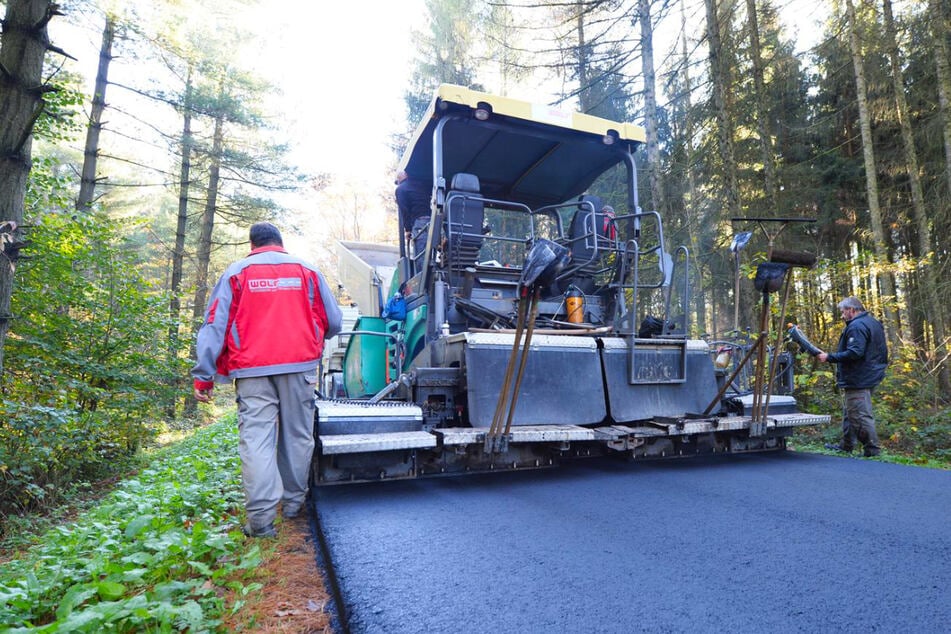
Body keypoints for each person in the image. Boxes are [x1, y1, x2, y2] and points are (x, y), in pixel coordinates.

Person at [192, 222, 342, 537]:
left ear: (252, 245)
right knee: (298, 436)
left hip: (250, 369)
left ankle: (260, 522)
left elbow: (213, 326)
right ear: (280, 243)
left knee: (257, 439)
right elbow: (334, 321)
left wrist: (204, 376)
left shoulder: (236, 273)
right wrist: (311, 338)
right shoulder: (308, 271)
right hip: (299, 365)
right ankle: (292, 505)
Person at [817, 297, 888, 457]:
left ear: (852, 310)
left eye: (843, 312)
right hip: (870, 374)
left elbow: (855, 352)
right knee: (851, 411)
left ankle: (872, 450)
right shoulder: (873, 322)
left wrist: (829, 357)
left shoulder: (857, 326)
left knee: (860, 414)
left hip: (859, 377)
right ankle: (846, 445)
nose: (842, 316)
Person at [395, 170, 431, 259]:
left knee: (420, 256)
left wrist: (408, 229)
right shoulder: (420, 185)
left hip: (420, 222)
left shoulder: (400, 189)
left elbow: (404, 211)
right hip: (432, 220)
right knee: (430, 252)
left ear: (398, 180)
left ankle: (422, 272)